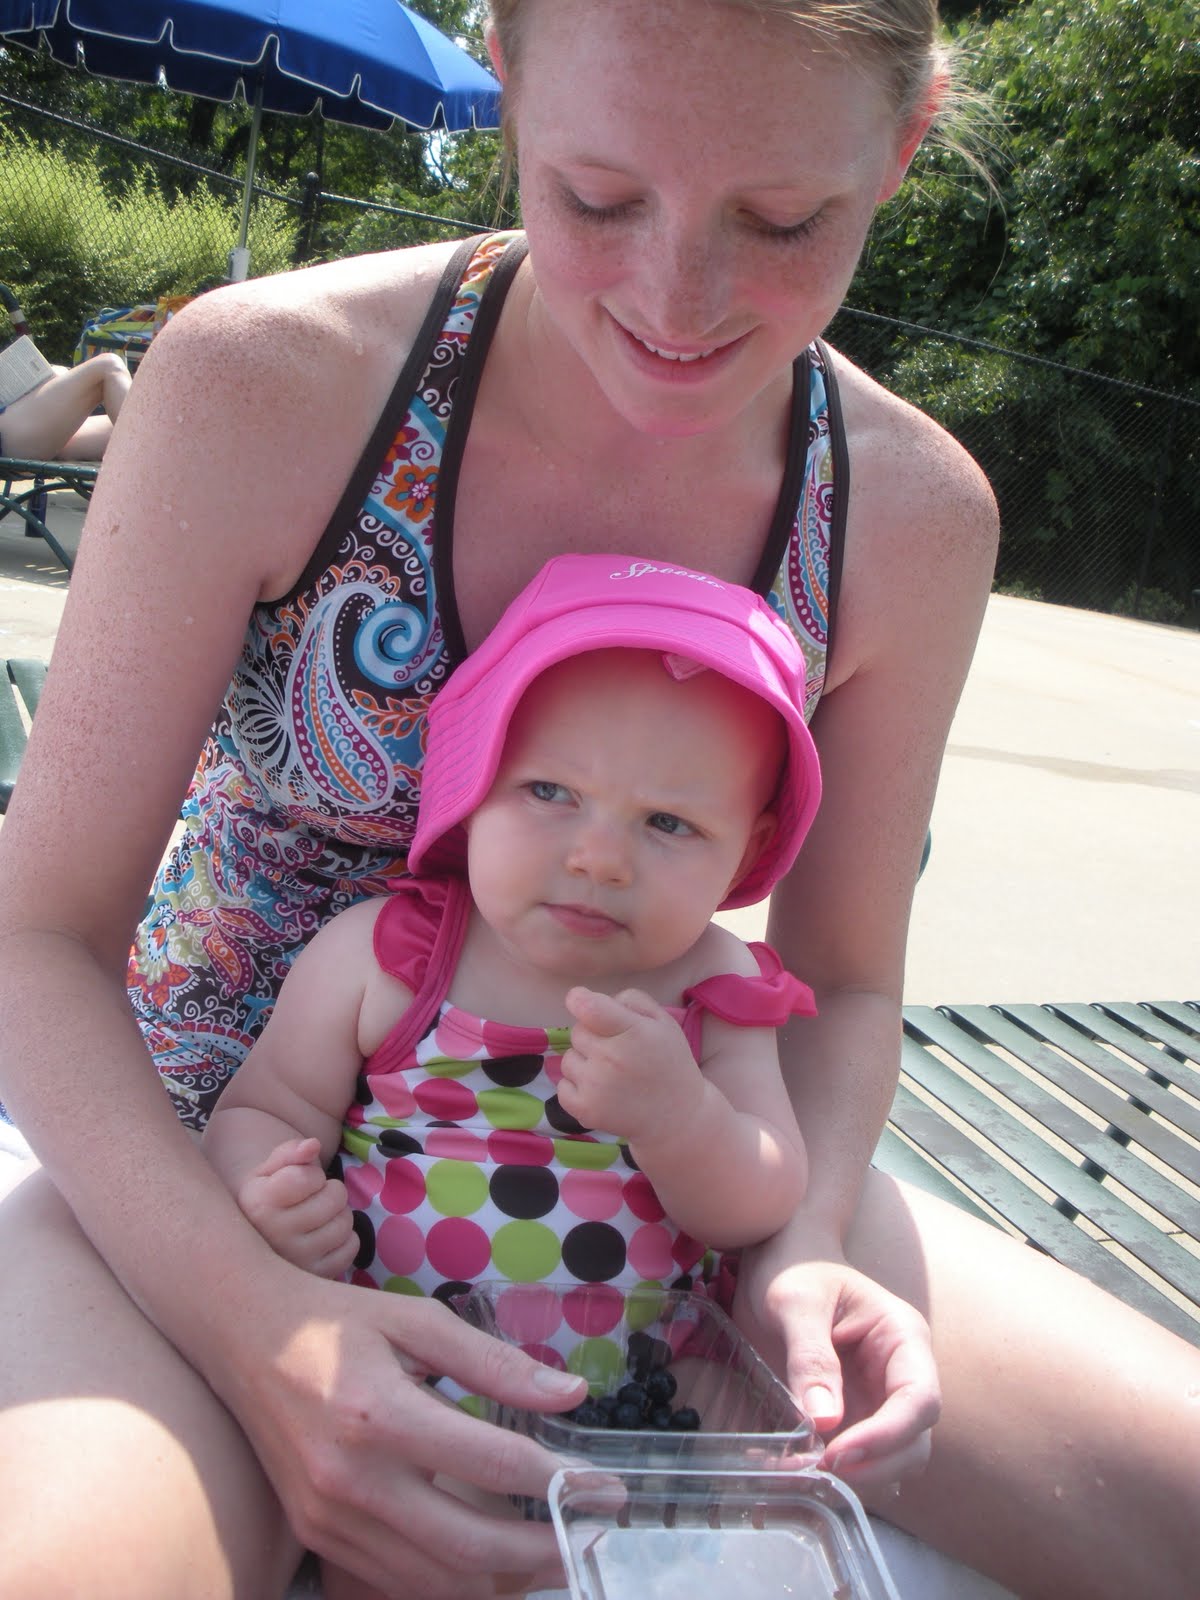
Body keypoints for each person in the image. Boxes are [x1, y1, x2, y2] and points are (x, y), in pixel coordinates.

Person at [0, 1, 1195, 1596]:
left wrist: (803, 1245)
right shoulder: (270, 384)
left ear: (905, 141)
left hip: (668, 1162)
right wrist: (253, 1318)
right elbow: (35, 935)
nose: (675, 301)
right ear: (507, 76)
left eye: (784, 219)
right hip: (212, 1152)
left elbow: (842, 981)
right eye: (598, 196)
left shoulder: (907, 517)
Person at [202, 558, 820, 1596]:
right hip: (407, 1377)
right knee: (402, 1542)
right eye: (550, 792)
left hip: (642, 1389)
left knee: (750, 1479)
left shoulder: (715, 989)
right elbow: (261, 1105)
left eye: (669, 823)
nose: (600, 857)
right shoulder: (390, 957)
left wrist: (681, 1118)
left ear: (748, 847)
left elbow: (762, 1195)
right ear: (471, 781)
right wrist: (268, 1190)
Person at [0, 349, 131, 460]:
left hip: (18, 432)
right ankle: (142, 455)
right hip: (7, 437)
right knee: (109, 365)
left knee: (121, 425)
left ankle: (141, 457)